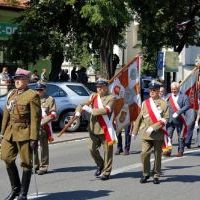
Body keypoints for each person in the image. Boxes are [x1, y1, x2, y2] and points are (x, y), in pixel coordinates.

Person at [0, 68, 41, 200]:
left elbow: (35, 118)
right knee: (6, 157)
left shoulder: (32, 95)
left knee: (26, 163)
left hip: (24, 132)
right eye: (16, 79)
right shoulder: (11, 94)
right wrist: (2, 133)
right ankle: (15, 189)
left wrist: (34, 138)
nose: (17, 81)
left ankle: (22, 193)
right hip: (10, 131)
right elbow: (6, 114)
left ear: (27, 80)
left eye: (20, 79)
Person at [75, 78, 115, 181]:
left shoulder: (111, 98)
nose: (99, 89)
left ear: (106, 88)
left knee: (107, 152)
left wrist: (91, 110)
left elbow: (107, 110)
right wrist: (78, 112)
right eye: (97, 87)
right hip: (93, 128)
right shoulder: (93, 96)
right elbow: (81, 104)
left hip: (105, 129)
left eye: (101, 87)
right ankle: (100, 164)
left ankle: (106, 172)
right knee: (92, 149)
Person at [132, 80, 169, 184]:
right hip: (145, 133)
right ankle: (145, 173)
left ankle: (156, 174)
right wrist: (134, 131)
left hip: (157, 134)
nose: (152, 92)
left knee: (157, 155)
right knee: (144, 153)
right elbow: (140, 118)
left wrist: (154, 127)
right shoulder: (145, 103)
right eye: (151, 90)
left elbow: (165, 119)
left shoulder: (164, 103)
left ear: (158, 91)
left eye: (154, 90)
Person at [34, 82, 57, 175]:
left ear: (44, 90)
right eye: (37, 90)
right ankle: (35, 165)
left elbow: (53, 114)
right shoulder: (33, 99)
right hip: (33, 127)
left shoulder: (50, 100)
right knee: (33, 146)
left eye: (40, 90)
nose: (38, 92)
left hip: (43, 126)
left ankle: (44, 167)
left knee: (43, 147)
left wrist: (42, 122)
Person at [166, 82, 190, 157]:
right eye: (172, 89)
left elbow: (187, 106)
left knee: (180, 136)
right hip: (170, 120)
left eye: (175, 89)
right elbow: (165, 105)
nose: (173, 91)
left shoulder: (184, 96)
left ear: (178, 88)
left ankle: (180, 151)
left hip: (180, 119)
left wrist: (179, 112)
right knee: (168, 136)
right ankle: (168, 151)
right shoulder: (168, 96)